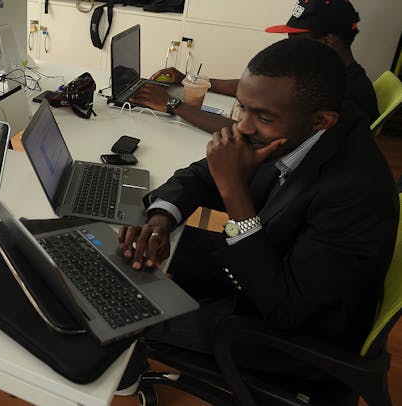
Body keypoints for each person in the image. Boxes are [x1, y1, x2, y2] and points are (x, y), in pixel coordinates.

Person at [115, 38, 398, 396]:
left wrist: (233, 190)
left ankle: (123, 371)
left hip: (291, 337)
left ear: (322, 120)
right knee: (125, 255)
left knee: (124, 311)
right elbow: (199, 176)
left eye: (261, 115)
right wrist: (159, 221)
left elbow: (286, 310)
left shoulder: (354, 192)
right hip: (274, 263)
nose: (243, 128)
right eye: (241, 109)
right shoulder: (293, 129)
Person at [133, 0, 380, 133]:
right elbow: (266, 93)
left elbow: (250, 134)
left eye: (297, 39)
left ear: (328, 41)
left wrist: (172, 104)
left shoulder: (341, 95)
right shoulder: (327, 73)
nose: (290, 46)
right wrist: (194, 80)